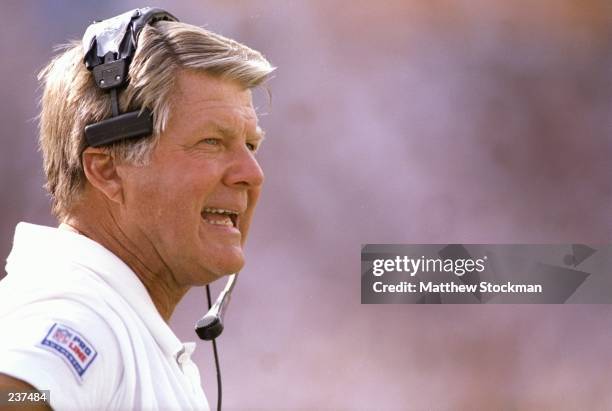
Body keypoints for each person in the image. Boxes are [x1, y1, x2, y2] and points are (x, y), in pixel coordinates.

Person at [0, 7, 274, 411]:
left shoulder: (113, 318)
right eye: (211, 142)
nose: (252, 174)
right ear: (107, 170)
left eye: (250, 145)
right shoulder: (78, 313)